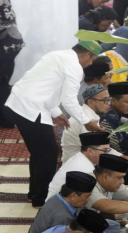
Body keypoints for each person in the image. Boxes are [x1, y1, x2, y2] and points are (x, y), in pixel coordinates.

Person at [5, 42, 104, 207]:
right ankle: (41, 198)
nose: (91, 64)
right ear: (87, 54)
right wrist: (86, 121)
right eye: (92, 59)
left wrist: (56, 113)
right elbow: (69, 100)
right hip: (30, 108)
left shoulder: (59, 55)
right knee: (49, 154)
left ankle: (35, 193)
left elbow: (47, 87)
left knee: (40, 152)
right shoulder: (74, 66)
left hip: (21, 103)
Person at [28, 172, 97, 233]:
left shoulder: (58, 198)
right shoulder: (62, 217)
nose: (88, 200)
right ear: (73, 196)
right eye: (87, 196)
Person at [47, 132, 112, 200]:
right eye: (105, 150)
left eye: (108, 150)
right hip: (60, 207)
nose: (108, 154)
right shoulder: (86, 170)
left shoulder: (80, 157)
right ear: (90, 151)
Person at [62, 86, 112, 162]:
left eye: (109, 100)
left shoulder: (87, 115)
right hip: (77, 166)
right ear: (91, 101)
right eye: (105, 100)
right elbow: (95, 149)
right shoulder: (85, 118)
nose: (109, 104)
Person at [0, 0, 23, 128]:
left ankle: (6, 120)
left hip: (6, 43)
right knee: (3, 83)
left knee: (2, 83)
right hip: (10, 42)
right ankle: (6, 119)